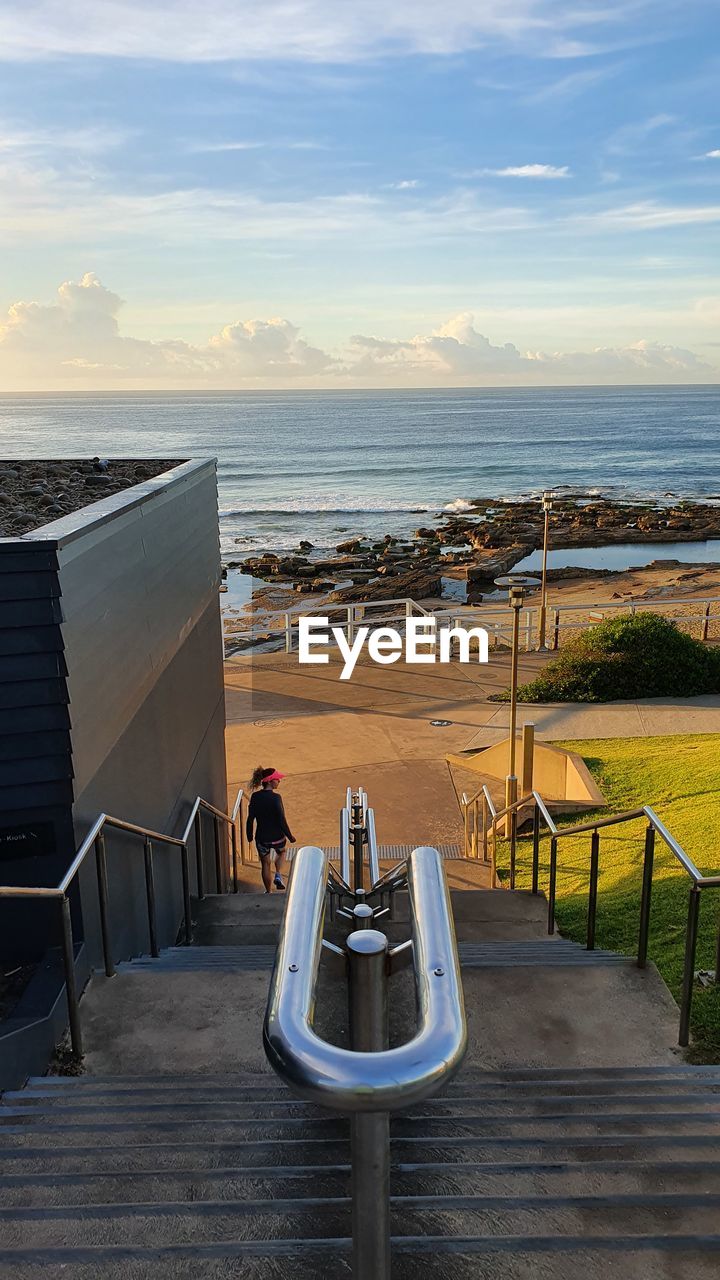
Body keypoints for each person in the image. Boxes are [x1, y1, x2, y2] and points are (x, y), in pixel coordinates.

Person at [246, 767, 296, 893]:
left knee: (265, 864)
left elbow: (250, 818)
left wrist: (249, 834)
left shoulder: (255, 797)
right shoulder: (276, 798)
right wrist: (290, 836)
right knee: (282, 852)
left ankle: (268, 891)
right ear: (269, 781)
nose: (279, 780)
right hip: (277, 837)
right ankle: (278, 874)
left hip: (261, 837)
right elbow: (281, 819)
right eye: (277, 779)